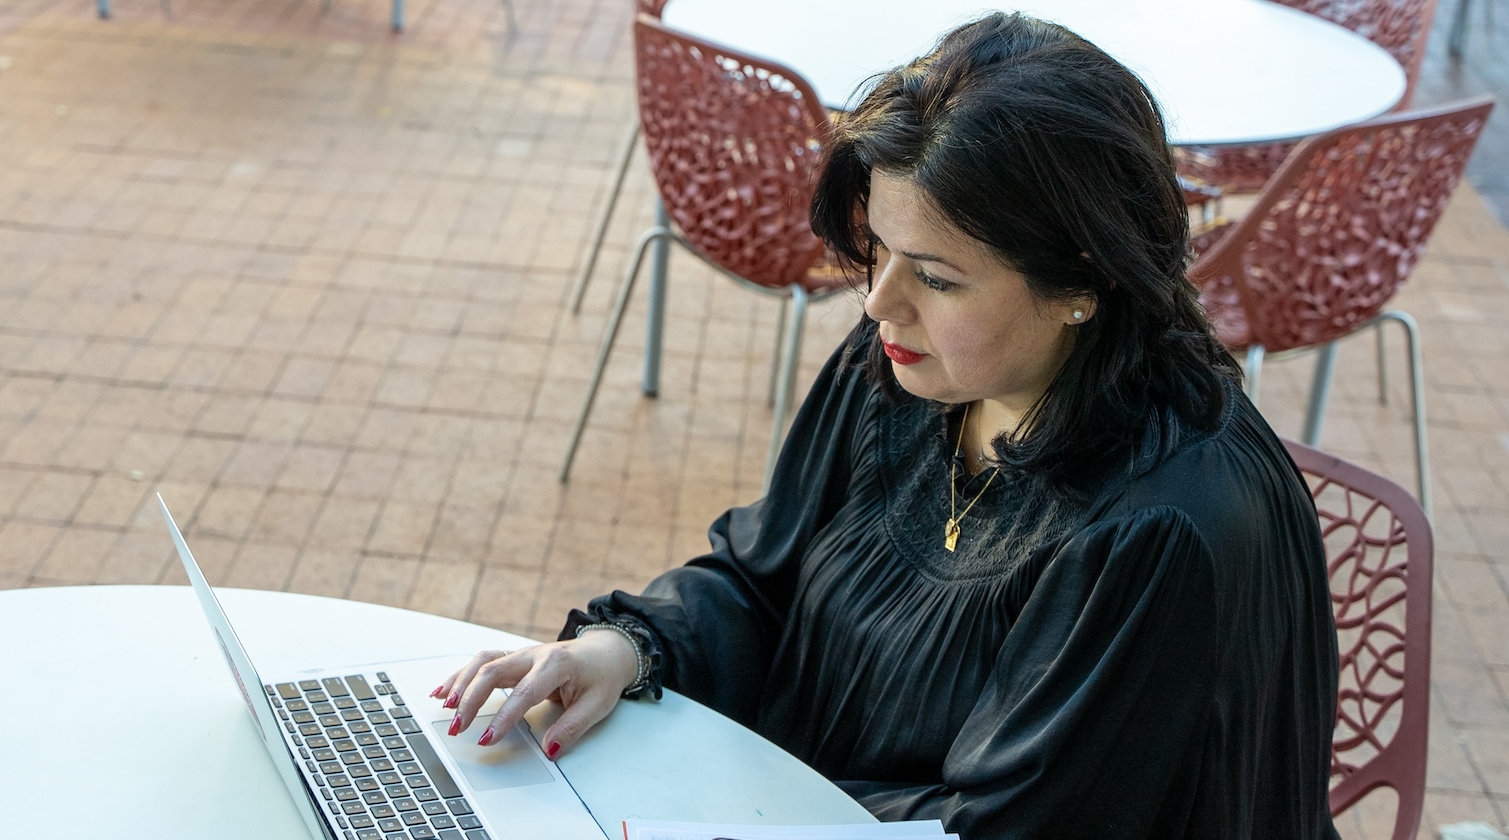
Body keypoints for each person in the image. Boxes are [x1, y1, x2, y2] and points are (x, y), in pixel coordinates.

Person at [433, 12, 1341, 839]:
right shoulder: (908, 370)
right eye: (877, 252)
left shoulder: (1159, 530)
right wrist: (623, 647)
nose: (879, 303)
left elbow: (1006, 826)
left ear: (1083, 284)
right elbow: (764, 579)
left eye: (938, 279)